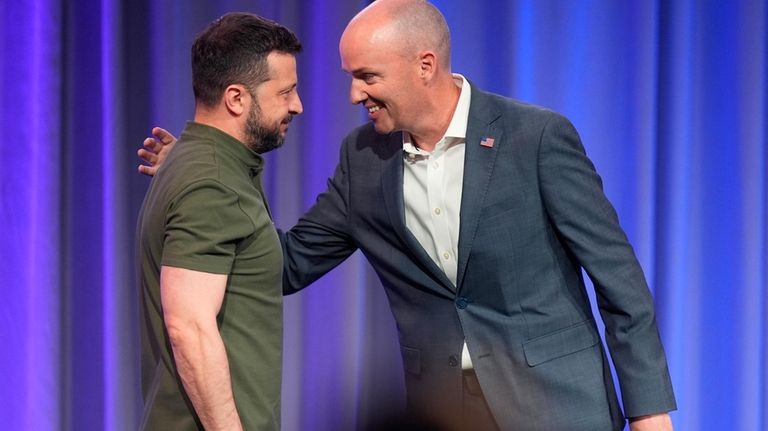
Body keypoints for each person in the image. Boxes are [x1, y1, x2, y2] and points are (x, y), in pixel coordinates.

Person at [139, 1, 675, 430]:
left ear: (425, 65)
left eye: (367, 76)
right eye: (351, 76)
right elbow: (284, 265)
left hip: (558, 407)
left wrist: (648, 410)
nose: (353, 94)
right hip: (443, 412)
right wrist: (201, 178)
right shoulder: (364, 159)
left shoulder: (534, 139)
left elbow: (618, 278)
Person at [136, 12, 302, 431]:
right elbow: (188, 327)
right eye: (286, 92)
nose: (296, 106)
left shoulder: (199, 164)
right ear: (236, 98)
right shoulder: (212, 183)